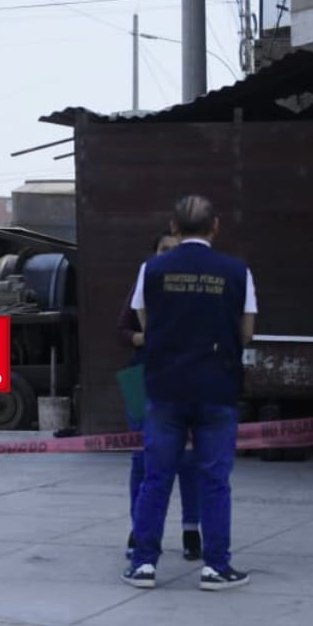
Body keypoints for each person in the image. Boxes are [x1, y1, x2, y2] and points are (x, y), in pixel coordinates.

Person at [123, 195, 256, 591]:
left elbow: (144, 322)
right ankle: (216, 566)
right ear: (216, 226)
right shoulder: (237, 272)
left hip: (165, 388)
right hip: (217, 387)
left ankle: (144, 564)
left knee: (155, 476)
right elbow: (246, 332)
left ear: (174, 228)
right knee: (215, 479)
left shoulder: (152, 269)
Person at [120, 234, 202, 562]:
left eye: (174, 250)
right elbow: (121, 330)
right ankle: (139, 530)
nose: (168, 255)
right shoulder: (144, 280)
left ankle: (191, 530)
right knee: (142, 458)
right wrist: (143, 337)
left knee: (188, 457)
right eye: (163, 250)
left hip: (184, 377)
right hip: (140, 376)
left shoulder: (195, 287)